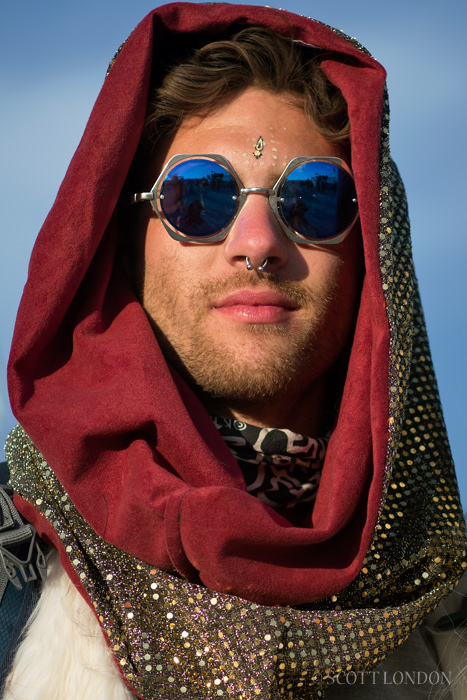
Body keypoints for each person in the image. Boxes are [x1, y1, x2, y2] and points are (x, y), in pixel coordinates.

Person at [1, 3, 466, 698]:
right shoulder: (14, 567)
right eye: (199, 197)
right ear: (123, 247)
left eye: (312, 200)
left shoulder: (439, 607)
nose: (258, 244)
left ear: (374, 256)